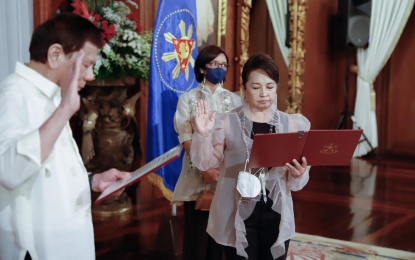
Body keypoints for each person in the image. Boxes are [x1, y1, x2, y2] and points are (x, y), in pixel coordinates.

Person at [0, 13, 130, 260]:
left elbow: (49, 168)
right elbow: (8, 171)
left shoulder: (51, 96)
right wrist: (64, 111)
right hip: (39, 250)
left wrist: (92, 180)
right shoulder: (13, 95)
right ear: (55, 55)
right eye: (85, 64)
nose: (91, 75)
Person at [191, 53, 311, 260]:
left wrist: (299, 173)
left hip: (275, 211)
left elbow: (293, 180)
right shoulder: (226, 121)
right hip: (236, 210)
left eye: (270, 87)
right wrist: (202, 135)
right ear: (244, 88)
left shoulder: (289, 123)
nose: (264, 93)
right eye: (256, 87)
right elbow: (206, 162)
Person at [172, 45, 241, 260]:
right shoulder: (188, 98)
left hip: (225, 174)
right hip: (196, 174)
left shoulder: (235, 99)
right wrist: (205, 168)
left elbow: (237, 138)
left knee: (220, 236)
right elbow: (186, 136)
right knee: (196, 235)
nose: (219, 69)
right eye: (214, 64)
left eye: (223, 65)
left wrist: (220, 169)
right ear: (203, 68)